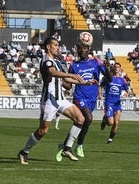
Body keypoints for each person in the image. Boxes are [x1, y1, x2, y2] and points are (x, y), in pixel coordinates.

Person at [17, 37, 96, 165]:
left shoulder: (57, 62)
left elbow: (66, 80)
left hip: (61, 99)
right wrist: (71, 74)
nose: (57, 47)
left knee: (80, 119)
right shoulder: (47, 61)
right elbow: (53, 72)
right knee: (43, 130)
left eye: (58, 45)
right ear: (48, 47)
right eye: (55, 45)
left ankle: (67, 148)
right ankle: (24, 151)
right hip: (49, 100)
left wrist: (85, 82)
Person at [56, 32, 112, 159]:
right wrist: (60, 79)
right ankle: (79, 144)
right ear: (77, 50)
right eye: (80, 49)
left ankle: (66, 145)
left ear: (89, 50)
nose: (82, 51)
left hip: (91, 99)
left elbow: (109, 79)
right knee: (89, 118)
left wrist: (107, 68)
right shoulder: (74, 66)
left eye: (85, 49)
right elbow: (69, 85)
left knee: (82, 122)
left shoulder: (96, 63)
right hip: (79, 97)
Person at [98, 62, 131, 144]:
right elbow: (100, 86)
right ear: (113, 68)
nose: (116, 68)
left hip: (117, 103)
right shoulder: (108, 78)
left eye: (118, 67)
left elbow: (128, 90)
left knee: (116, 123)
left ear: (120, 69)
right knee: (110, 123)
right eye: (115, 67)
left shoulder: (122, 80)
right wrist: (99, 94)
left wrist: (127, 93)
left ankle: (110, 139)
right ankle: (105, 119)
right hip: (109, 103)